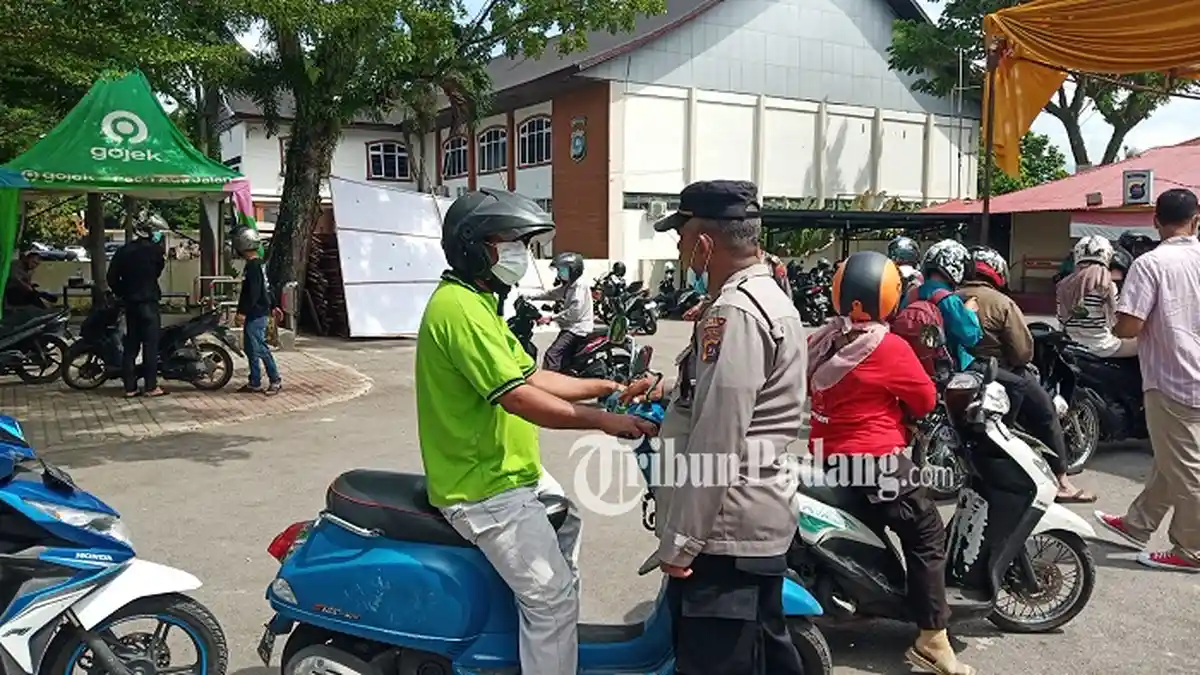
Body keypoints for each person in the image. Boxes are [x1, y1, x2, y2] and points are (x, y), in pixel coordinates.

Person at [415, 188, 658, 675]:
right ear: (473, 246)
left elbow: (530, 375)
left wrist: (604, 384)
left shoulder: (480, 303)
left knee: (568, 527)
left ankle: (542, 632)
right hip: (483, 486)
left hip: (512, 474)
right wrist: (605, 421)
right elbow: (519, 398)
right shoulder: (458, 310)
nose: (522, 255)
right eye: (511, 242)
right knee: (551, 602)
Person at [641, 179, 807, 675]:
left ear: (706, 243)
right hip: (741, 523)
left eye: (682, 234)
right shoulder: (760, 298)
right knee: (763, 656)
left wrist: (680, 542)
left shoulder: (736, 312)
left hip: (726, 533)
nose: (678, 246)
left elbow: (718, 438)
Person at [808, 250, 973, 675]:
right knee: (926, 531)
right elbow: (925, 398)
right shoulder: (887, 346)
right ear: (889, 298)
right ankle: (932, 638)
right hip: (874, 462)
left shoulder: (824, 339)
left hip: (827, 456)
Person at [1095, 188, 1200, 573]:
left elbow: (1129, 327)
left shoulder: (1151, 264)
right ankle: (1139, 523)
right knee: (1173, 458)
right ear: (1197, 219)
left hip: (1173, 377)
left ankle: (1190, 550)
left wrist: (1117, 312)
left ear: (1155, 221)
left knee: (1187, 468)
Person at [965, 246, 1096, 503]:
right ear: (997, 272)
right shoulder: (1001, 303)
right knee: (1046, 412)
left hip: (962, 372)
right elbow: (1023, 352)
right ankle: (1062, 483)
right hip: (998, 372)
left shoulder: (950, 297)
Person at [106, 216, 167, 398]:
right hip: (149, 302)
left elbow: (111, 278)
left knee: (131, 346)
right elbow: (158, 271)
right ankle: (151, 387)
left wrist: (124, 292)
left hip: (131, 304)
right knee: (150, 346)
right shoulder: (155, 251)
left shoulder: (123, 251)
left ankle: (129, 388)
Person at [903, 239, 982, 372]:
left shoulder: (911, 294)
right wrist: (969, 312)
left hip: (912, 366)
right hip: (946, 369)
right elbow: (970, 337)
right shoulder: (948, 299)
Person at [1056, 235, 1137, 358]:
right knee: (1144, 344)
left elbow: (1061, 319)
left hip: (1071, 345)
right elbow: (1116, 321)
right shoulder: (1107, 286)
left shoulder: (1063, 285)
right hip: (1102, 347)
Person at [232, 227, 283, 395]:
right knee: (250, 348)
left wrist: (242, 312)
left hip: (256, 312)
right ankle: (254, 381)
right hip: (260, 310)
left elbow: (253, 292)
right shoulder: (259, 264)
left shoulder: (253, 267)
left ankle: (275, 379)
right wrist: (274, 305)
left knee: (259, 347)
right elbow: (267, 287)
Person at [526, 251, 594, 373]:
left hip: (577, 328)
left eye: (562, 270)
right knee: (562, 359)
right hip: (572, 327)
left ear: (573, 270)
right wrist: (530, 296)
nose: (559, 273)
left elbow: (575, 312)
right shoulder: (570, 285)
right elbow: (553, 293)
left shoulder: (579, 286)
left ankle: (551, 385)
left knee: (551, 355)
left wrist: (551, 318)